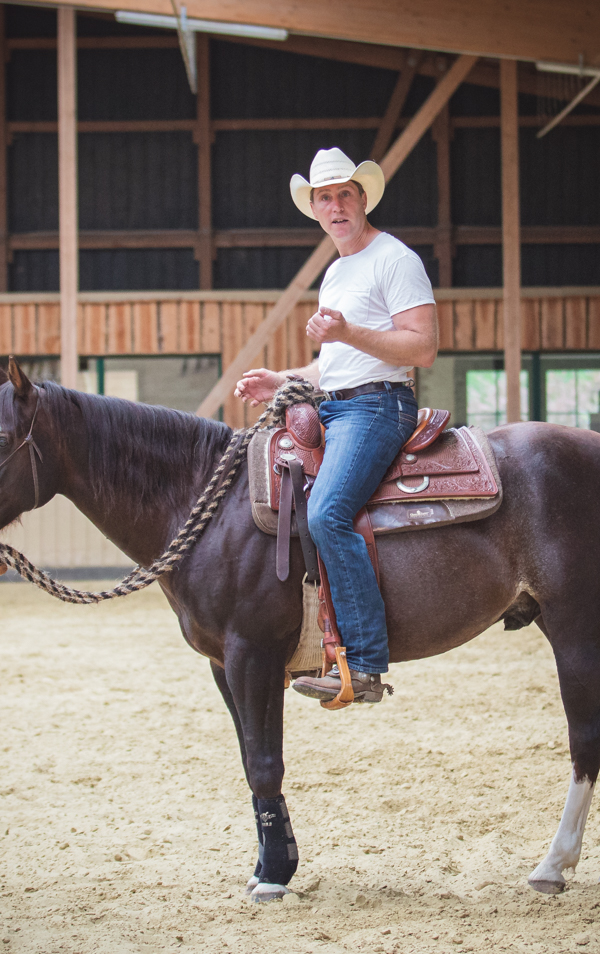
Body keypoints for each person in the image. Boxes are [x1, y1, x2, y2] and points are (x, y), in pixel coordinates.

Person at [234, 147, 439, 704]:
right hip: (338, 404)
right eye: (325, 197)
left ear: (363, 198)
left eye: (344, 193)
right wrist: (283, 379)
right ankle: (298, 640)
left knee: (327, 512)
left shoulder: (395, 259)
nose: (336, 205)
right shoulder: (336, 272)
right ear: (316, 210)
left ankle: (367, 664)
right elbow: (333, 368)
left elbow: (422, 347)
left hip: (378, 407)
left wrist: (348, 333)